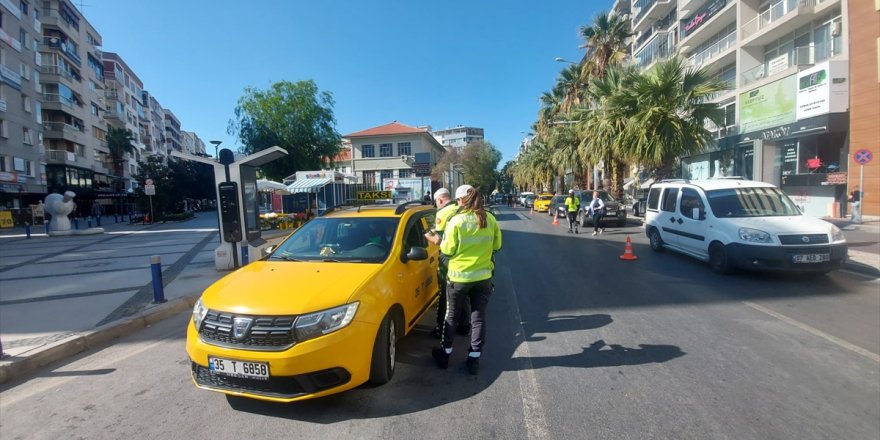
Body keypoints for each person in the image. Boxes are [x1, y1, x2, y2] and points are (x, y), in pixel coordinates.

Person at [432, 185, 502, 375]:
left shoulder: (457, 221)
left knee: (452, 316)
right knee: (478, 318)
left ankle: (445, 355)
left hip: (458, 279)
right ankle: (474, 359)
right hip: (483, 278)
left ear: (461, 201)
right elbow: (497, 245)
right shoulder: (490, 219)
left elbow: (447, 250)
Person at [424, 188, 469, 338]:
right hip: (464, 259)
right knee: (462, 295)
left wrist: (426, 233)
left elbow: (438, 240)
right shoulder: (460, 208)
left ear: (440, 200)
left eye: (437, 203)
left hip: (448, 259)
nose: (437, 206)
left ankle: (441, 328)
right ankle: (464, 325)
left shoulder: (442, 213)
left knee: (445, 296)